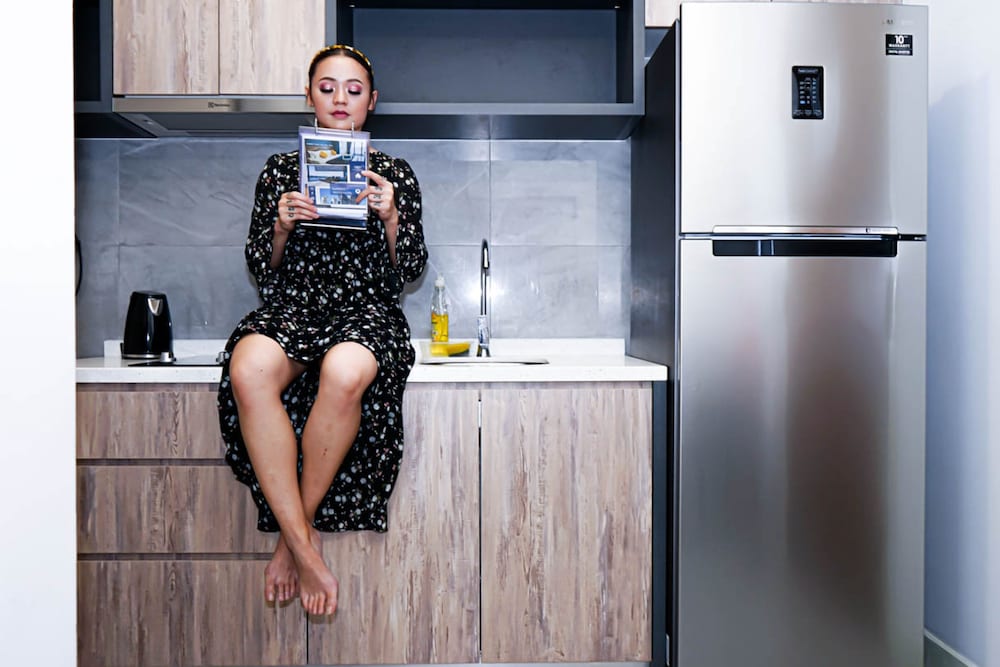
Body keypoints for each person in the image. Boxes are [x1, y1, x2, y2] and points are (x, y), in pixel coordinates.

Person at [216, 44, 427, 617]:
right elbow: (262, 268)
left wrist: (391, 215)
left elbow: (409, 269)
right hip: (296, 307)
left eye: (353, 90)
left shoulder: (395, 174)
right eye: (327, 87)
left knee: (346, 368)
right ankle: (305, 543)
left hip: (367, 310)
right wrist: (281, 227)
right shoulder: (280, 171)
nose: (340, 99)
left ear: (371, 101)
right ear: (308, 96)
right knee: (248, 366)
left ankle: (294, 541)